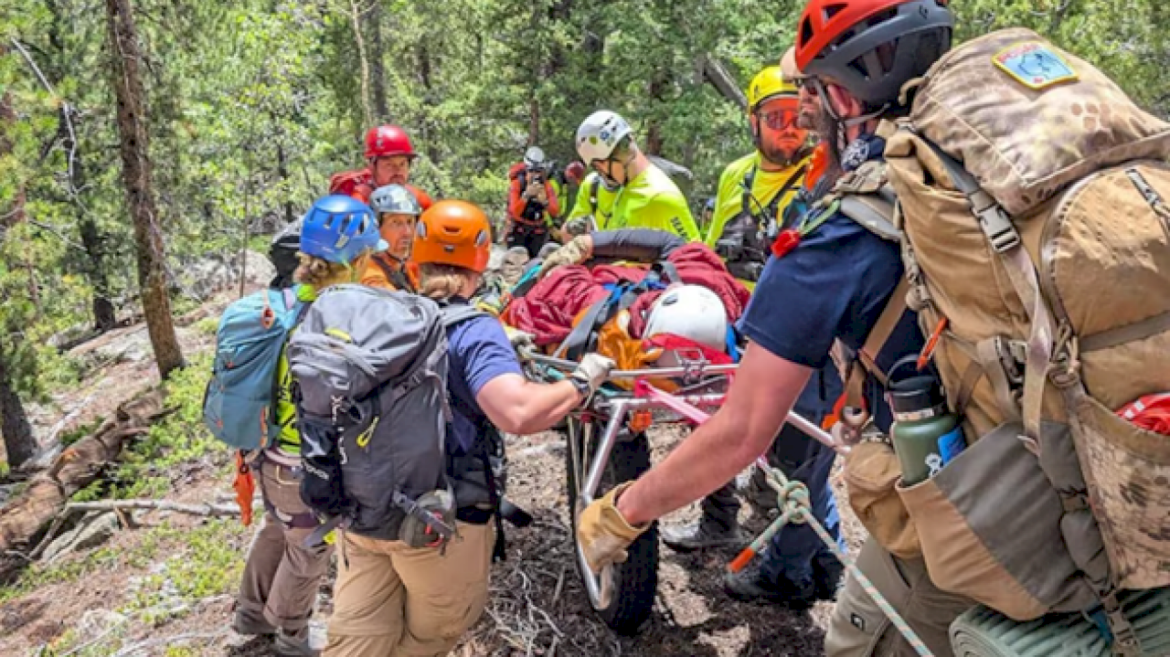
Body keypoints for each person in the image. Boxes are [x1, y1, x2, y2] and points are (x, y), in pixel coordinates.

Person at [574, 1, 973, 655]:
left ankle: (795, 566)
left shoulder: (839, 228)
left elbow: (738, 430)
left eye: (811, 98)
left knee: (857, 629)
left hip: (972, 496)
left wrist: (623, 510)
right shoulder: (971, 179)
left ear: (843, 95)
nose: (804, 118)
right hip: (1060, 465)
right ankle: (813, 558)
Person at [321, 200, 615, 657]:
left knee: (356, 641)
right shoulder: (475, 329)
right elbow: (517, 413)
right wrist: (582, 382)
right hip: (436, 523)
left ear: (418, 255)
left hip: (362, 512)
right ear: (481, 258)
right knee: (429, 637)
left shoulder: (385, 316)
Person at [540, 226, 847, 607]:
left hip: (803, 357)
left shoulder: (823, 235)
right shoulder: (710, 283)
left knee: (796, 473)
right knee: (807, 472)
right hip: (797, 350)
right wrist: (591, 243)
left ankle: (787, 575)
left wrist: (630, 509)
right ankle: (822, 561)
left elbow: (735, 437)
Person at [234, 195, 389, 657]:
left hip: (267, 452)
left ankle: (249, 613)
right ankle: (291, 634)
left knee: (276, 531)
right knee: (309, 549)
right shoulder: (338, 316)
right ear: (359, 258)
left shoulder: (288, 300)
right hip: (303, 462)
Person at [705, 66, 814, 288]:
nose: (789, 129)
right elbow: (711, 257)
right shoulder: (734, 175)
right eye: (776, 118)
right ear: (755, 122)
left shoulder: (821, 176)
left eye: (798, 118)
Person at [574, 110, 701, 242]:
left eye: (597, 166)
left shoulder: (660, 198)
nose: (601, 174)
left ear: (606, 161)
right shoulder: (626, 188)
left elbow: (694, 257)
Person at [329, 125, 434, 210]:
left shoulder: (416, 197)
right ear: (372, 167)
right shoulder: (360, 201)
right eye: (389, 165)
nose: (397, 171)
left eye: (402, 164)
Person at [360, 184, 422, 292]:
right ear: (376, 227)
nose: (407, 232)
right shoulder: (371, 276)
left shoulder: (400, 267)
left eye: (409, 221)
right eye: (396, 223)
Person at [506, 146, 561, 258]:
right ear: (526, 170)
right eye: (531, 171)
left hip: (538, 232)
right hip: (519, 230)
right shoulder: (517, 184)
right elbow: (514, 212)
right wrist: (526, 196)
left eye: (538, 171)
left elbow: (555, 211)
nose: (535, 175)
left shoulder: (546, 186)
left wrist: (544, 202)